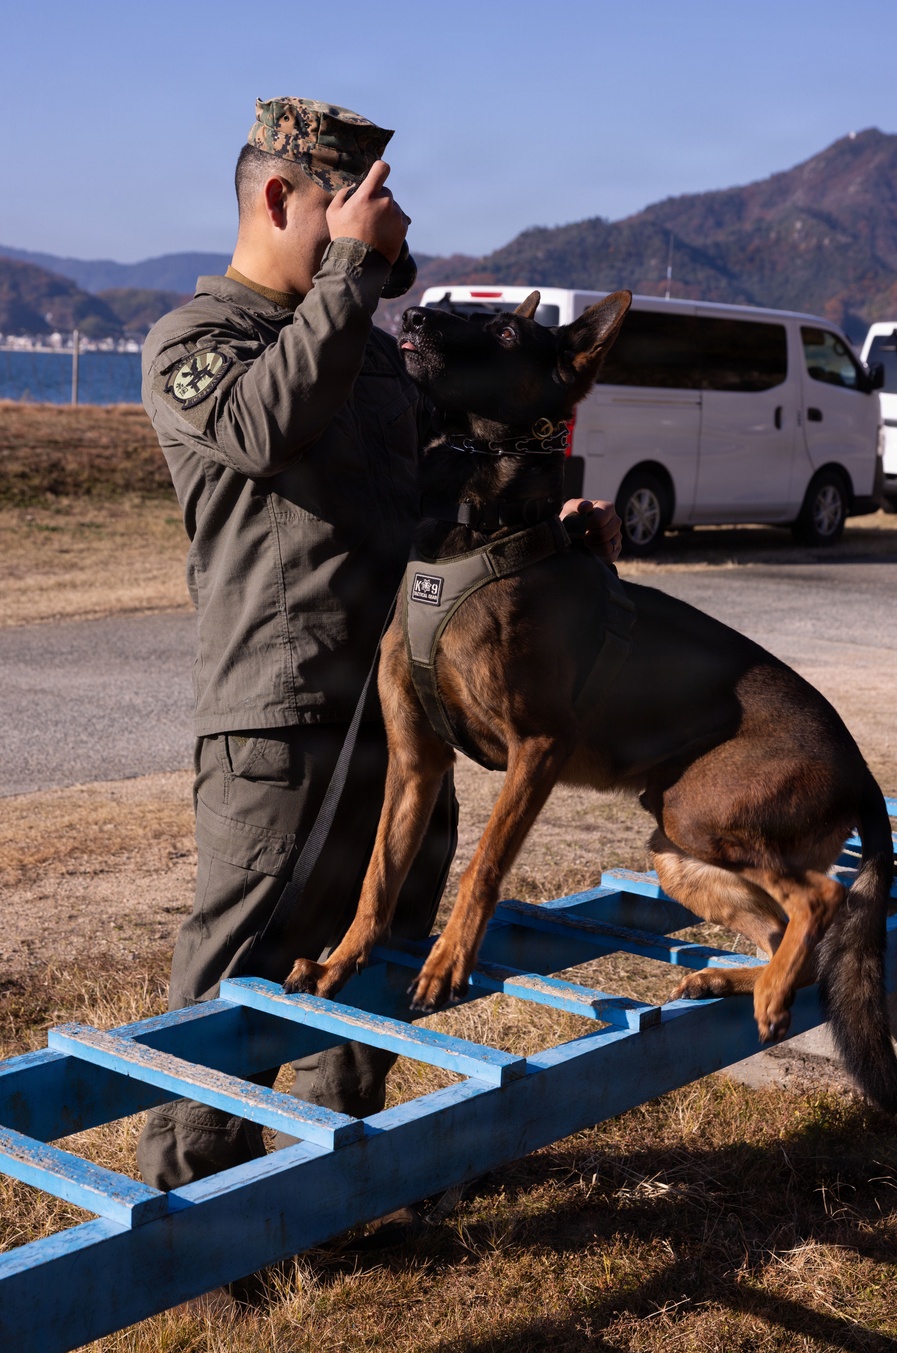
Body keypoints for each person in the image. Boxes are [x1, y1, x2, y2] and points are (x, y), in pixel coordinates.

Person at [136, 96, 622, 1196]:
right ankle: (184, 1214)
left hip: (412, 716)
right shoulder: (195, 343)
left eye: (381, 202)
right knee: (240, 966)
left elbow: (432, 495)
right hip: (285, 717)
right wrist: (352, 272)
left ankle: (325, 1191)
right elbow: (265, 426)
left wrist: (555, 531)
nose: (381, 224)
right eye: (350, 202)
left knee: (386, 950)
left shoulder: (361, 353)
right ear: (277, 197)